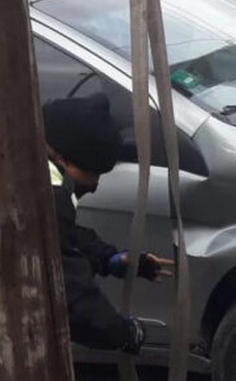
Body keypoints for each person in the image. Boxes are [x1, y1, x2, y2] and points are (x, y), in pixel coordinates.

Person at [44, 93, 174, 354]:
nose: (94, 185)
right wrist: (123, 333)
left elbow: (61, 238)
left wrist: (110, 258)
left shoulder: (26, 169)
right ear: (62, 158)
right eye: (93, 172)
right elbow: (68, 297)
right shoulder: (45, 194)